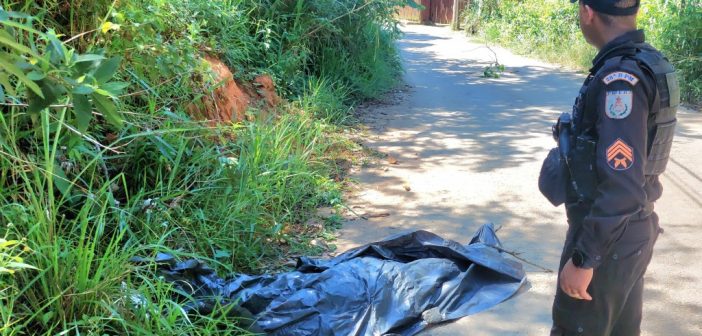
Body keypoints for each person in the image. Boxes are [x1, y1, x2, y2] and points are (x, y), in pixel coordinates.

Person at [538, 0, 680, 335]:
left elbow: (622, 186)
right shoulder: (647, 62)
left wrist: (585, 259)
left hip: (608, 239)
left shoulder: (621, 79)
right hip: (629, 234)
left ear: (587, 11)